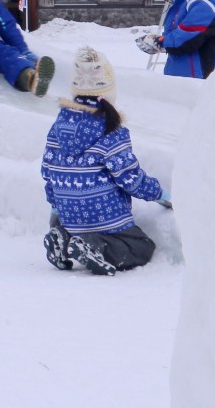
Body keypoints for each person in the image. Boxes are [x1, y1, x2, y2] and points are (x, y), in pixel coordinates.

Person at [41, 46, 167, 275]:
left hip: (68, 216)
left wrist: (56, 211)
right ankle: (96, 248)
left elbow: (49, 172)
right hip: (106, 219)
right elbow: (131, 179)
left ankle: (65, 239)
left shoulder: (57, 128)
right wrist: (161, 195)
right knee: (141, 247)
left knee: (77, 227)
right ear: (109, 90)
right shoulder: (112, 130)